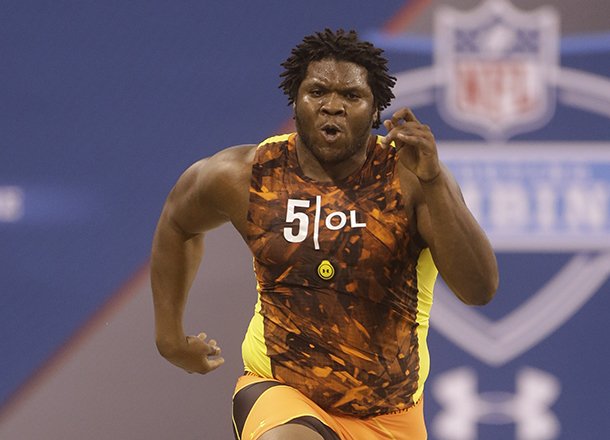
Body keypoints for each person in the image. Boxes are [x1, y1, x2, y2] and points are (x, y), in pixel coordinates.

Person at [151, 29, 499, 440]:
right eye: (317, 92)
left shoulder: (411, 181)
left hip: (391, 414)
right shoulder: (246, 175)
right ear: (295, 101)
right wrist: (169, 338)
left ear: (374, 111)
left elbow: (479, 289)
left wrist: (435, 180)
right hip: (280, 391)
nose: (332, 106)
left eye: (351, 96)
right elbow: (178, 222)